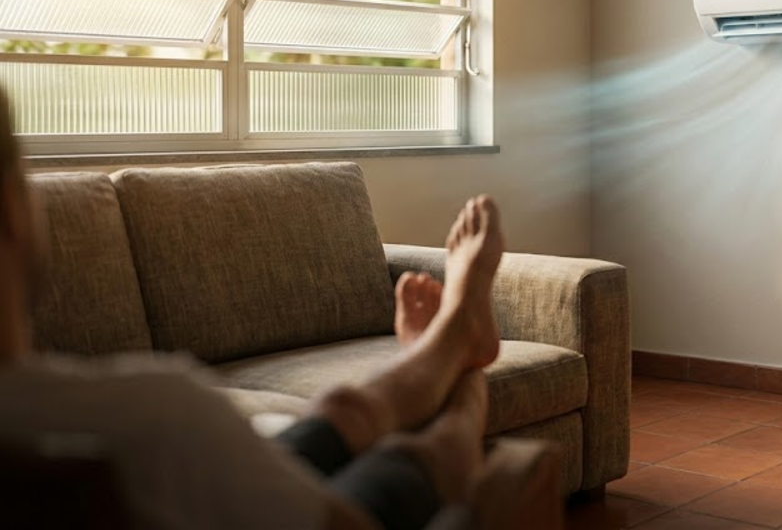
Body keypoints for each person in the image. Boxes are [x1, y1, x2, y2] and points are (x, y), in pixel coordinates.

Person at [0, 83, 537, 530]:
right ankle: (460, 348)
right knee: (438, 449)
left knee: (343, 413)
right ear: (10, 212)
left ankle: (446, 340)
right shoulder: (151, 422)